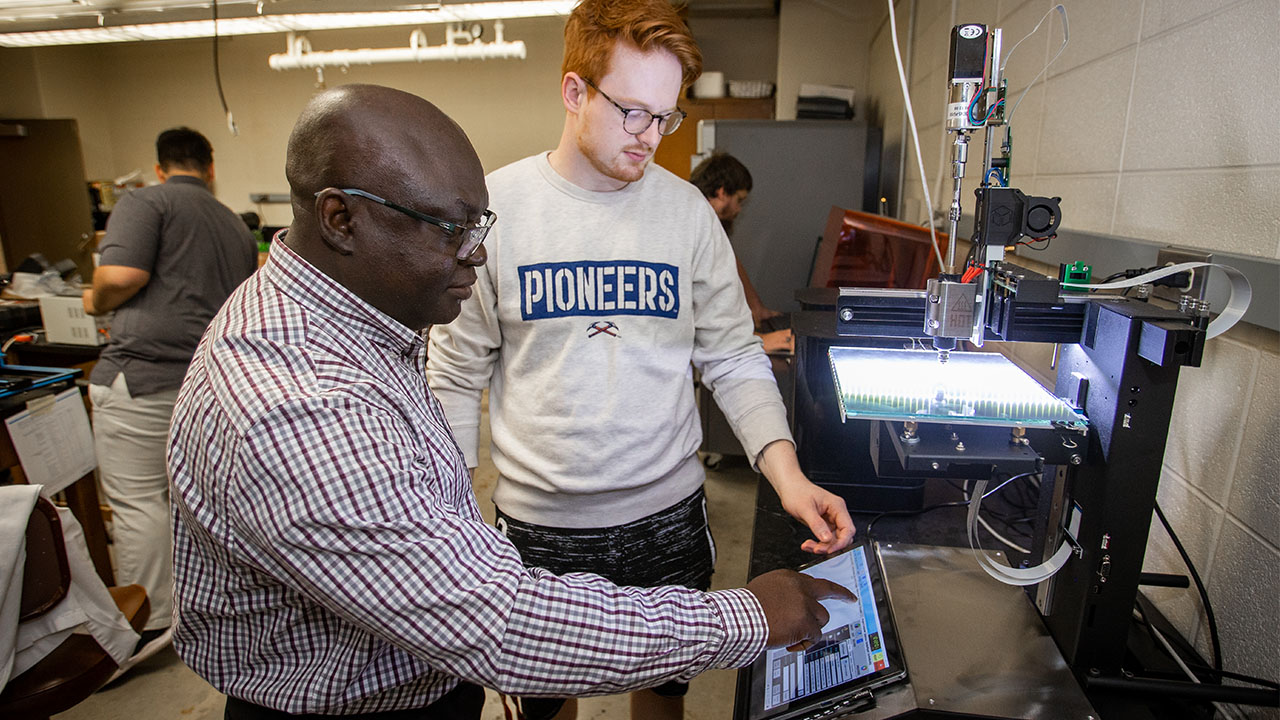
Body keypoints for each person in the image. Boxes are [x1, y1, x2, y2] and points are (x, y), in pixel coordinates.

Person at [166, 83, 851, 720]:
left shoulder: (360, 321)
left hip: (436, 665)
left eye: (480, 224)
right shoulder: (297, 400)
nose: (479, 255)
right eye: (449, 228)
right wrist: (749, 617)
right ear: (341, 218)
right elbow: (495, 622)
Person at [426, 2, 855, 718]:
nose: (651, 137)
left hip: (667, 517)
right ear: (573, 91)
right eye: (632, 113)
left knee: (662, 702)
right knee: (542, 707)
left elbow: (733, 359)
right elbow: (454, 374)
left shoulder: (686, 213)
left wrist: (788, 477)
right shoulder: (497, 210)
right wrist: (450, 519)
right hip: (539, 531)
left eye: (666, 117)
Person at [82, 126, 257, 673]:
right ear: (209, 167)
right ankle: (202, 609)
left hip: (144, 377)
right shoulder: (232, 221)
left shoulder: (144, 201)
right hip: (213, 385)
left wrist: (92, 299)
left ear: (160, 168)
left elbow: (120, 274)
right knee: (199, 505)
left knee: (138, 503)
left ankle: (153, 626)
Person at [690, 152, 793, 354]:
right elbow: (700, 311)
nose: (738, 209)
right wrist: (759, 341)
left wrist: (756, 306)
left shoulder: (704, 219)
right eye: (739, 200)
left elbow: (729, 260)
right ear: (721, 192)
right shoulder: (692, 224)